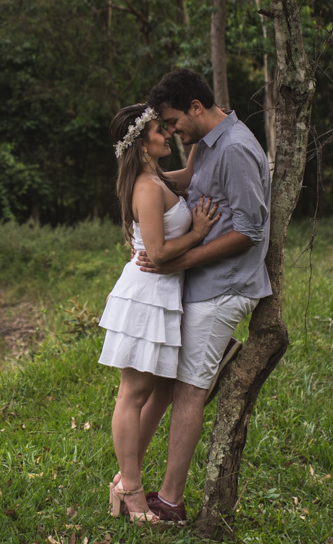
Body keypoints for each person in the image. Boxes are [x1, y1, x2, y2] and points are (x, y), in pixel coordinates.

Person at [135, 69, 273, 522]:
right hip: (203, 285)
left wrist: (180, 261)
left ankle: (170, 501)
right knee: (179, 387)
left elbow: (250, 230)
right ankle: (146, 484)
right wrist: (142, 183)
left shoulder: (234, 148)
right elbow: (189, 181)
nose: (170, 131)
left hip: (224, 288)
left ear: (197, 107)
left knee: (191, 392)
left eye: (173, 121)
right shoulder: (209, 141)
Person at [98, 103, 221, 524]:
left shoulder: (156, 177)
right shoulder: (147, 187)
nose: (166, 132)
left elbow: (188, 178)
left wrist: (204, 139)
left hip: (164, 293)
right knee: (132, 393)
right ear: (141, 142)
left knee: (166, 387)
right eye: (157, 129)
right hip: (148, 294)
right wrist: (200, 234)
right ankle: (130, 489)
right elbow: (158, 251)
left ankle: (125, 477)